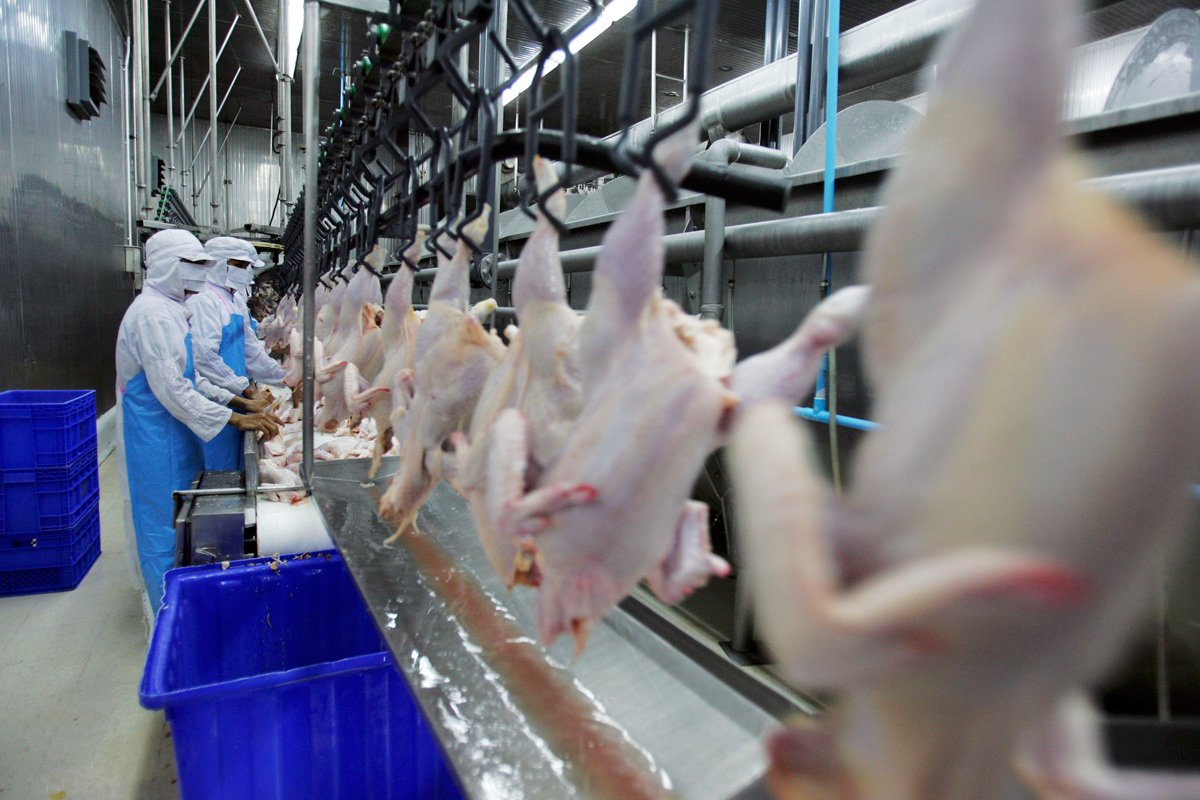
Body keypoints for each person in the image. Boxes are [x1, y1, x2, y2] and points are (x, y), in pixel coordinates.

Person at [115, 229, 281, 618]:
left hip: (178, 430)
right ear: (166, 268)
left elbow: (194, 379)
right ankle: (166, 620)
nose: (198, 274)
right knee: (161, 527)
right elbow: (172, 388)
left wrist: (239, 399)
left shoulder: (173, 308)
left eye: (203, 265)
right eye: (192, 265)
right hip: (154, 436)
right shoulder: (152, 314)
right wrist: (235, 417)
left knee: (183, 522)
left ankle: (188, 606)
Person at [189, 237, 286, 470]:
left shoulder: (235, 299)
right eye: (240, 265)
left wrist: (286, 377)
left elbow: (251, 350)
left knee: (233, 463)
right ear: (218, 263)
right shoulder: (202, 299)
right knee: (214, 466)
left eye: (247, 267)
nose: (246, 272)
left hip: (235, 398)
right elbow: (204, 358)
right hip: (212, 399)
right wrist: (245, 390)